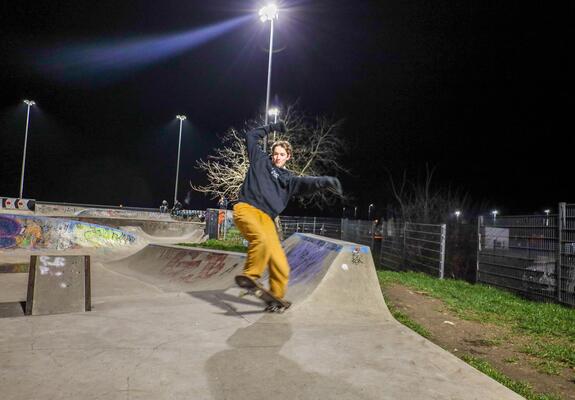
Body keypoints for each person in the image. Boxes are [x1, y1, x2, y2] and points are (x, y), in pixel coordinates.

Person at [233, 121, 342, 311]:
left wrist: (325, 181)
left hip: (267, 219)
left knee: (280, 262)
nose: (277, 157)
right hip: (246, 209)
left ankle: (276, 297)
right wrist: (272, 128)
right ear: (271, 154)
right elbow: (251, 136)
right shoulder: (260, 160)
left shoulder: (289, 180)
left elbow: (306, 183)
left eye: (282, 155)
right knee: (260, 240)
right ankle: (251, 276)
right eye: (275, 153)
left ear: (288, 157)